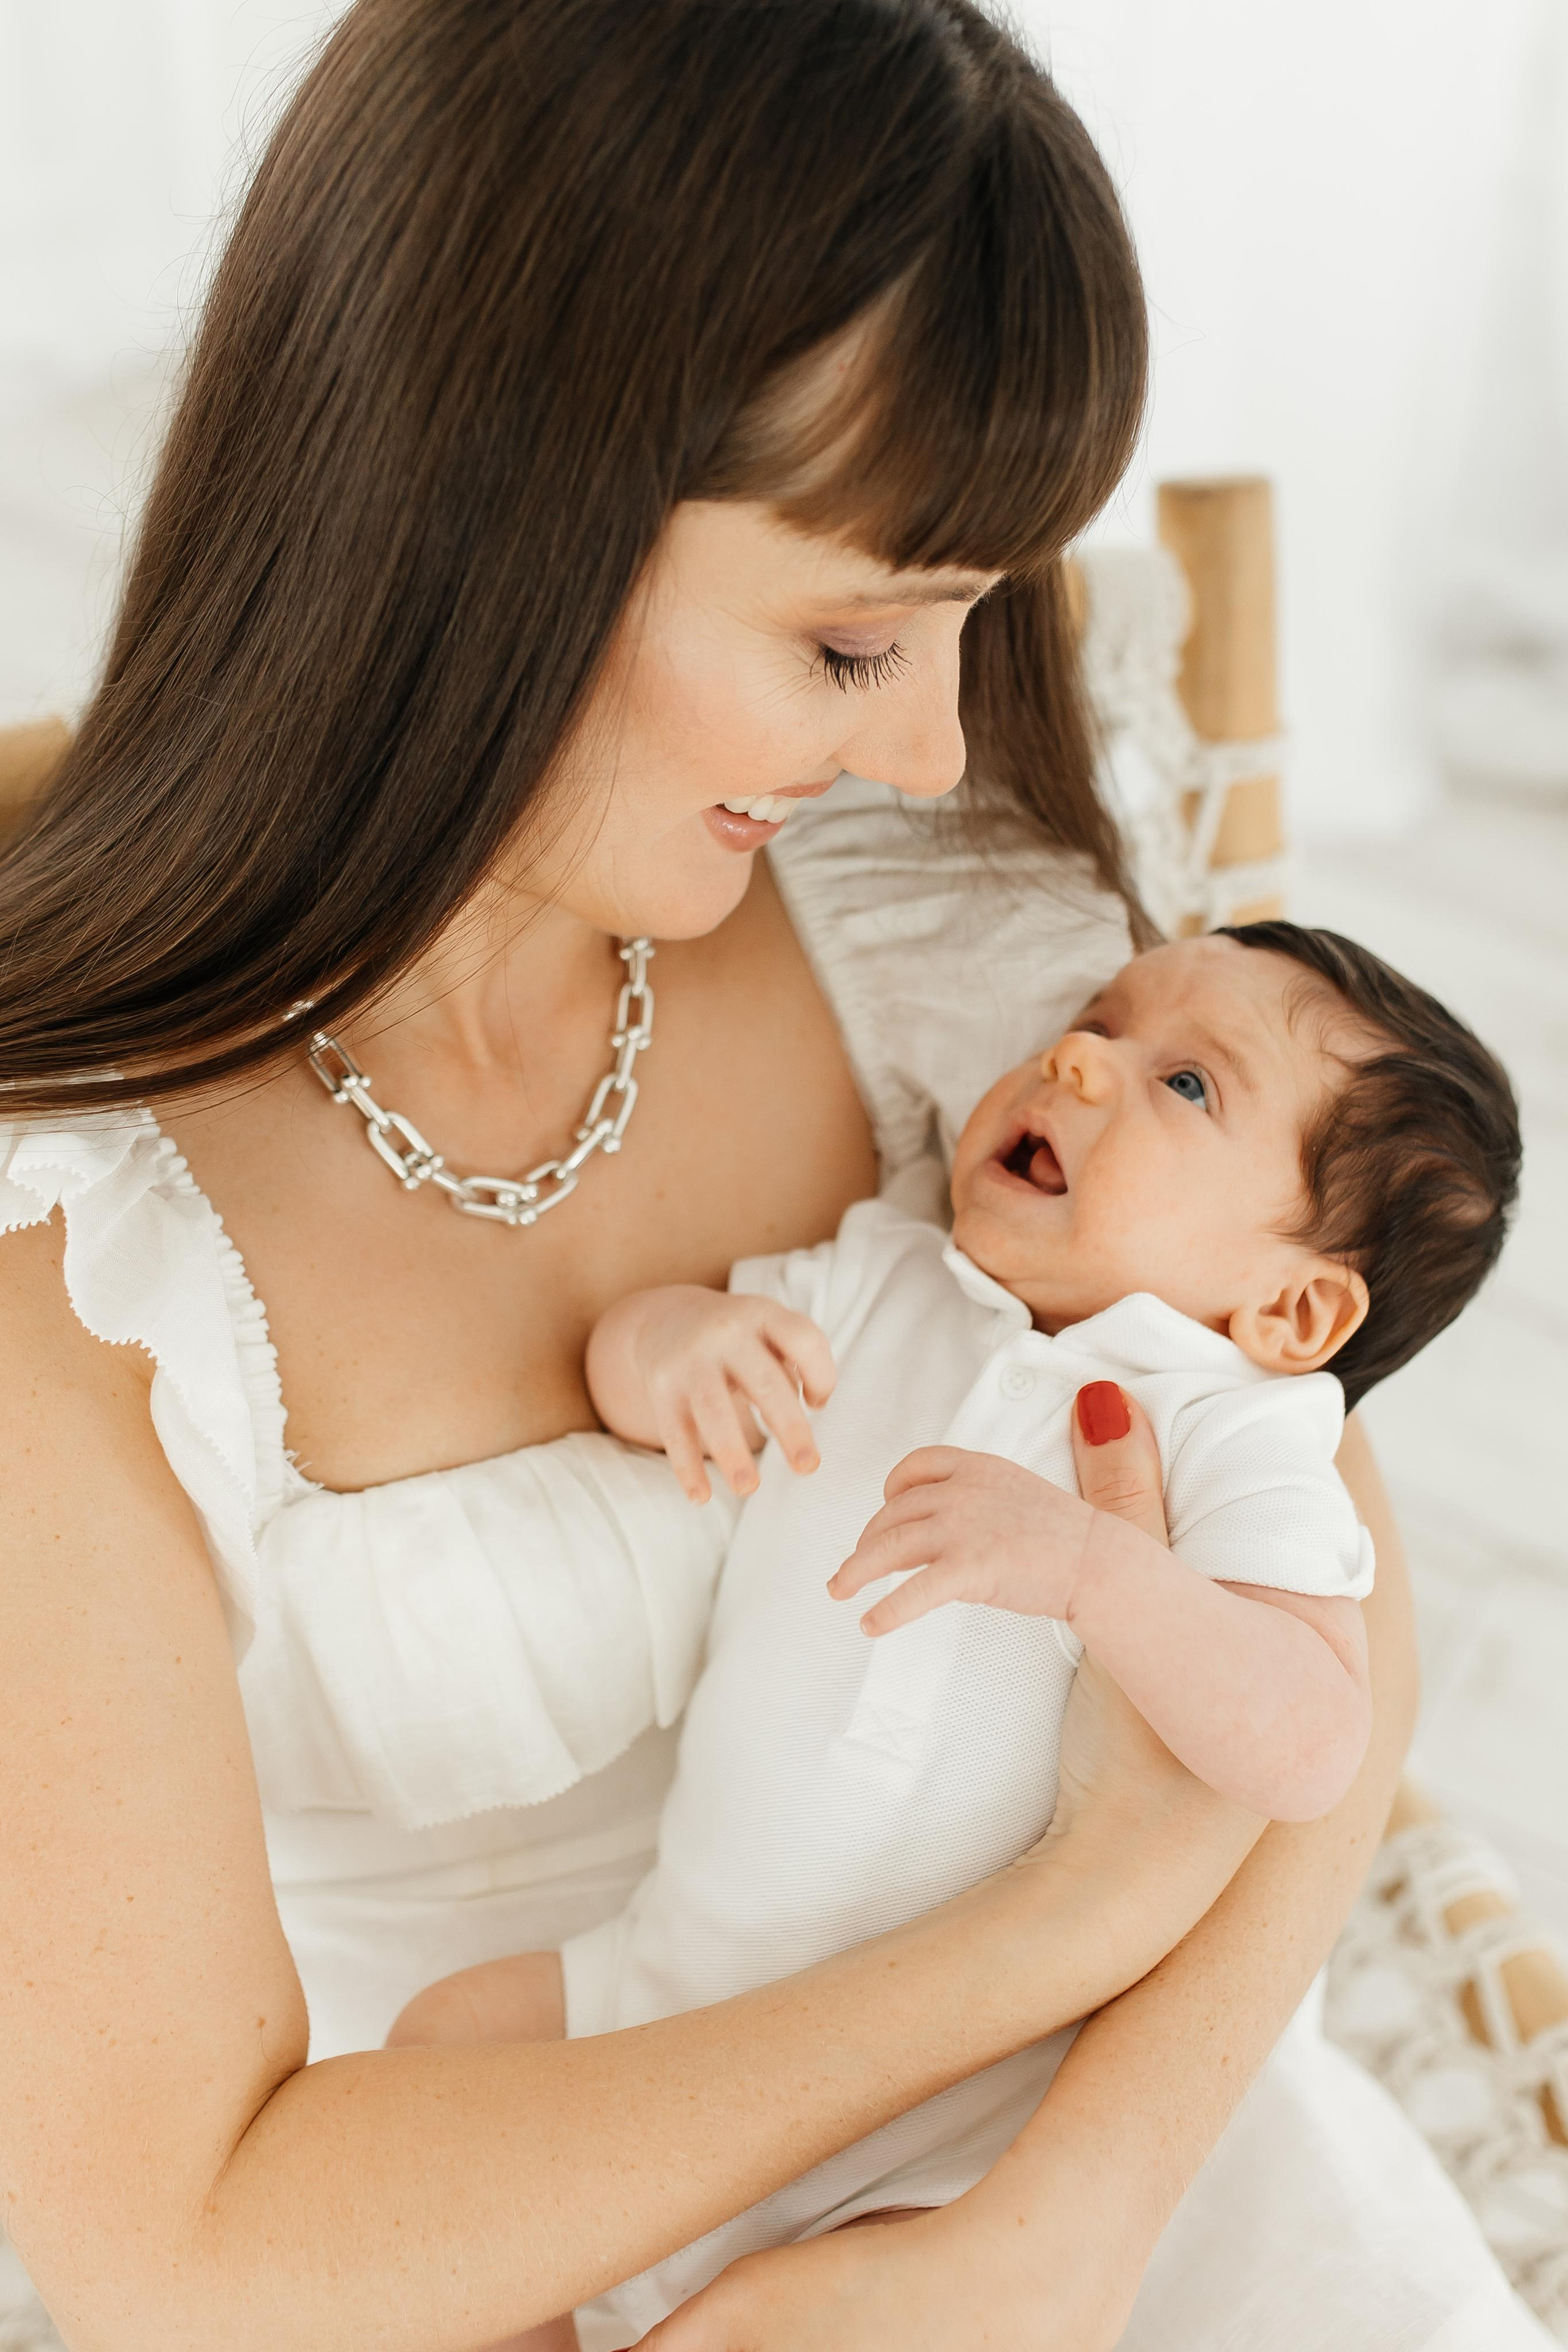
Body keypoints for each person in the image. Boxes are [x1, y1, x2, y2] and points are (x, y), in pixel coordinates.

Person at [0, 2, 1550, 2346]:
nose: (931, 750)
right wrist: (1036, 1939)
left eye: (966, 631)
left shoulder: (930, 945)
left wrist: (1057, 2232)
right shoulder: (79, 1228)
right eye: (848, 643)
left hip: (1075, 2178)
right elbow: (187, 2248)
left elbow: (1311, 1534)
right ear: (498, 506)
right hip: (452, 2231)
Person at [391, 921, 1523, 2348]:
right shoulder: (889, 1278)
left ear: (1293, 1307)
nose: (1078, 1056)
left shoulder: (1234, 1434)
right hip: (679, 1984)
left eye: (1185, 1085)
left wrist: (1093, 1570)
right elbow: (648, 1358)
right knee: (435, 2058)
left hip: (958, 2105)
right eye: (1097, 1020)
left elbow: (1307, 1739)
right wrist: (671, 1348)